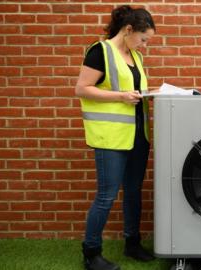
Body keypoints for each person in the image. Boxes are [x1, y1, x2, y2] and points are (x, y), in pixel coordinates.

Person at [75, 5, 156, 270]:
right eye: (143, 39)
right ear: (128, 29)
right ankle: (91, 253)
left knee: (133, 191)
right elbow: (82, 89)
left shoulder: (135, 56)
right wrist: (121, 97)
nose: (144, 45)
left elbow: (134, 91)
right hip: (111, 137)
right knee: (106, 196)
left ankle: (132, 244)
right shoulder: (100, 51)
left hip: (138, 135)